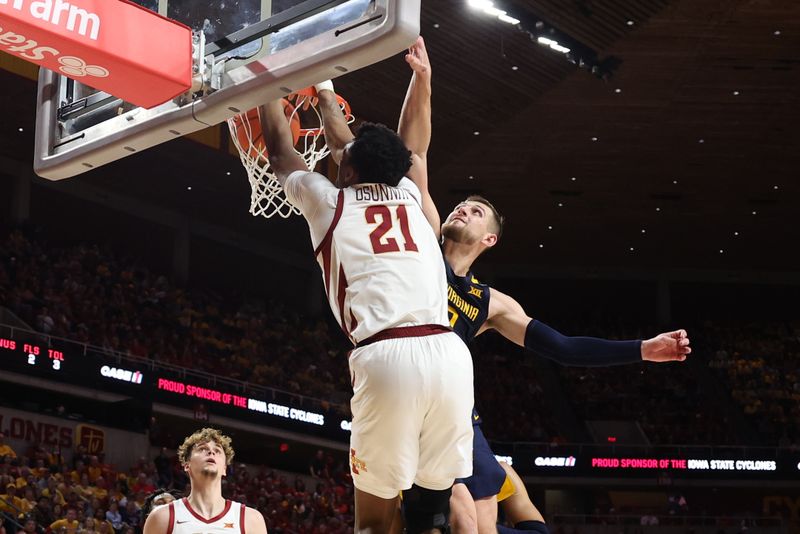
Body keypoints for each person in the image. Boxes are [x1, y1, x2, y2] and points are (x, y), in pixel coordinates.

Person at [389, 36, 692, 534]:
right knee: (458, 514)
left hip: (460, 420)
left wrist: (643, 349)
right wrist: (421, 80)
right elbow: (413, 152)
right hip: (409, 402)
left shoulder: (489, 304)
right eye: (463, 201)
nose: (463, 205)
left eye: (477, 209)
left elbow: (565, 348)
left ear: (489, 238)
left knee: (481, 523)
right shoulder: (425, 234)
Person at [258, 77, 474, 534]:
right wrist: (323, 89)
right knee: (429, 518)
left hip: (388, 354)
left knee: (374, 522)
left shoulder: (329, 203)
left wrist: (263, 87)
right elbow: (346, 146)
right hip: (450, 355)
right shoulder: (413, 197)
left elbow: (280, 154)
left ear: (349, 172)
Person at [143, 428, 267, 534]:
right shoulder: (162, 517)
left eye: (217, 450)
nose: (211, 452)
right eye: (202, 448)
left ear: (224, 468)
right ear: (187, 465)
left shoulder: (250, 520)